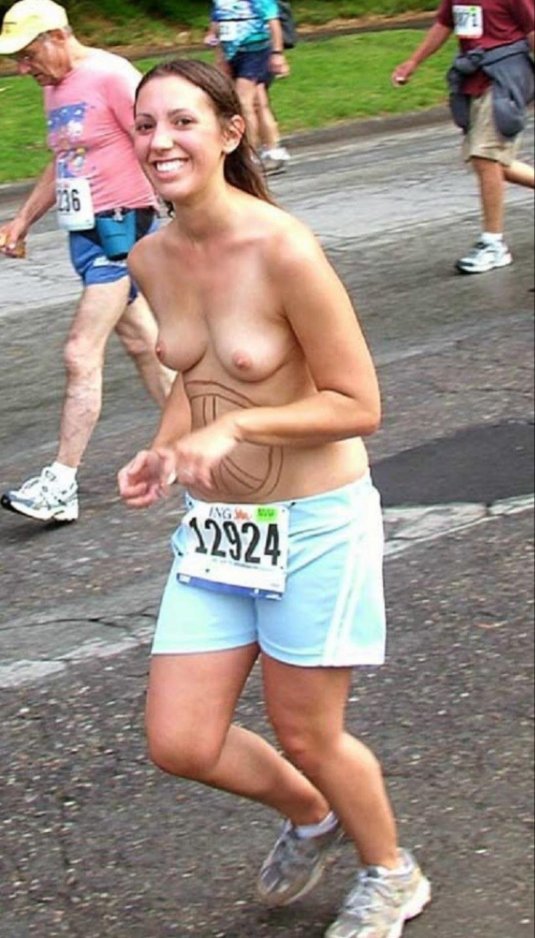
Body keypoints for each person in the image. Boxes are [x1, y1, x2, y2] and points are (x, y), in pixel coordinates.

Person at [118, 58, 431, 938]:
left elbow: (357, 404)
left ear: (229, 132)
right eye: (145, 125)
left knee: (307, 732)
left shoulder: (282, 248)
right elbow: (196, 375)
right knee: (181, 740)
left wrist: (241, 428)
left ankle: (391, 872)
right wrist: (163, 450)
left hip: (315, 523)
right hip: (221, 528)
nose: (159, 141)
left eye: (181, 121)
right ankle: (313, 814)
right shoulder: (150, 256)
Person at [0, 0, 173, 523]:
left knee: (80, 352)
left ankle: (60, 483)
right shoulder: (55, 86)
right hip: (86, 234)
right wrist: (22, 220)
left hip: (123, 229)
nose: (22, 69)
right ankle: (209, 437)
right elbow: (65, 159)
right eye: (16, 59)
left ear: (58, 36)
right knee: (143, 345)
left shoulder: (112, 76)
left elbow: (160, 142)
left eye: (28, 55)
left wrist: (187, 211)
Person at [392, 0, 535, 275]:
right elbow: (444, 24)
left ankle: (493, 244)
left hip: (505, 78)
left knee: (485, 156)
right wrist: (413, 61)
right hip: (474, 76)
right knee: (492, 164)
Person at [209, 0, 290, 157]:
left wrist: (277, 53)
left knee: (243, 103)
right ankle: (273, 148)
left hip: (256, 52)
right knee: (258, 102)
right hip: (232, 54)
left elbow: (274, 23)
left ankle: (248, 153)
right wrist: (219, 56)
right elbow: (217, 26)